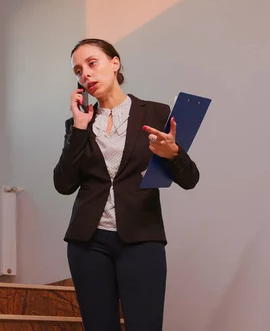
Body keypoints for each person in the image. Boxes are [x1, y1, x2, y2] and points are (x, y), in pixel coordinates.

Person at [53, 38, 200, 331]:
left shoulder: (157, 113)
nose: (86, 75)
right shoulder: (79, 123)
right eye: (78, 71)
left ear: (115, 62)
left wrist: (173, 154)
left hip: (142, 239)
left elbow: (190, 179)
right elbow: (64, 184)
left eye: (92, 63)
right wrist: (80, 128)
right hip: (88, 242)